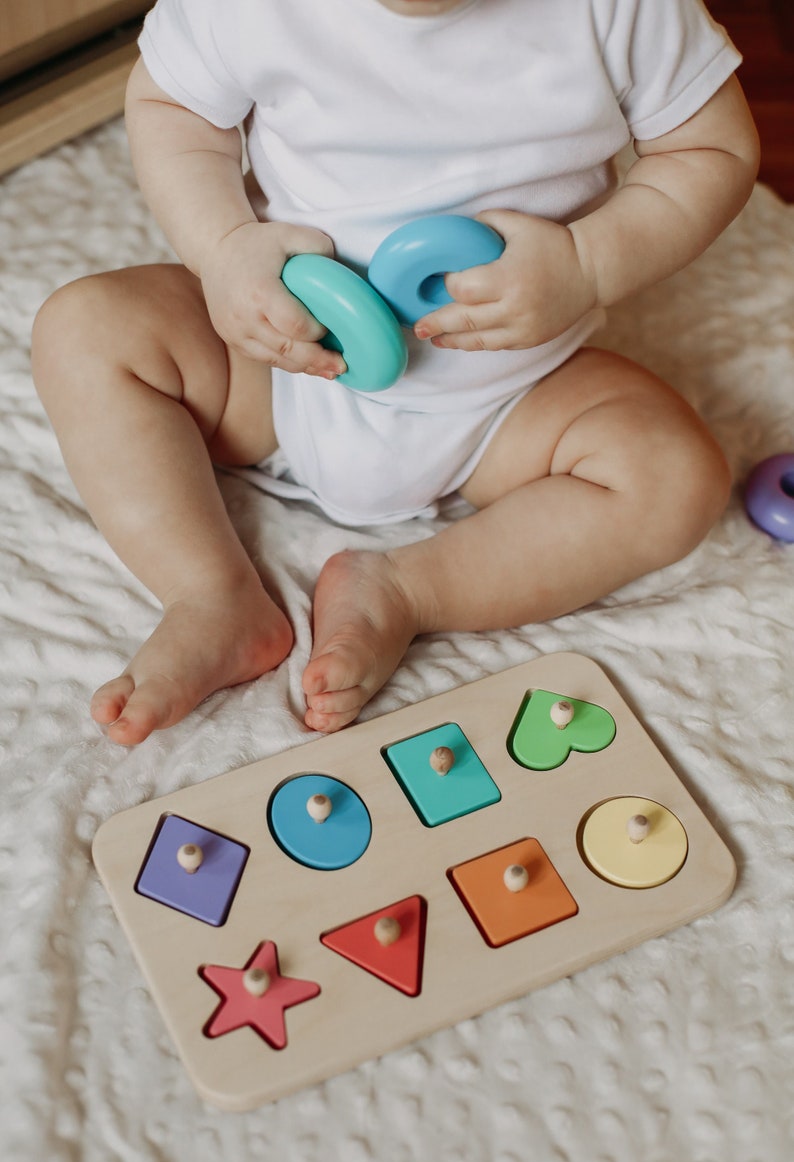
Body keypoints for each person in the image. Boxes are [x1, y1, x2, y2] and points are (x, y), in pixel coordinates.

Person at [31, 0, 760, 746]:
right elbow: (170, 105)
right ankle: (209, 594)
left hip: (511, 396)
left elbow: (712, 150)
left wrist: (588, 263)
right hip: (281, 364)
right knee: (84, 329)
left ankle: (408, 589)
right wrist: (222, 247)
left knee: (674, 476)